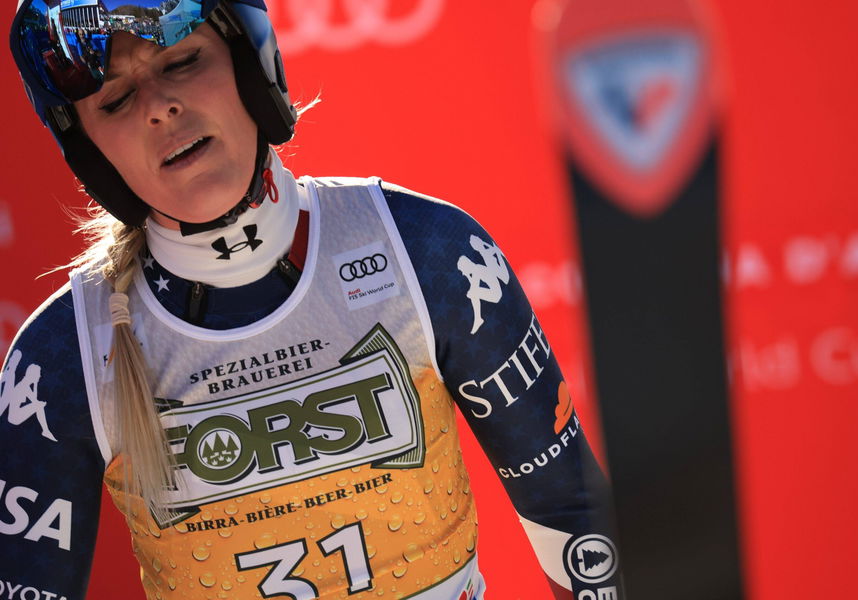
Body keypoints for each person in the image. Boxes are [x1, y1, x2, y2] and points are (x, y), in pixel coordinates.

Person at [1, 1, 622, 599]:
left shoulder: (428, 253)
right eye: (114, 100)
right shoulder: (62, 356)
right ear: (89, 150)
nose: (160, 108)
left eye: (183, 61)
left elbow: (575, 518)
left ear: (249, 60)